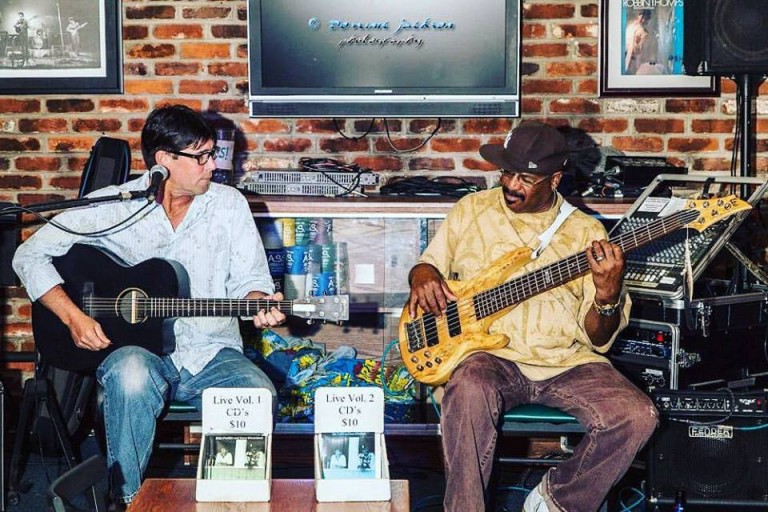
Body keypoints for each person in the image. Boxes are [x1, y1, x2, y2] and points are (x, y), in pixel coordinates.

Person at [12, 104, 285, 509]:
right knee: (132, 375)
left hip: (211, 351)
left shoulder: (229, 205)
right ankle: (127, 502)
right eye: (201, 156)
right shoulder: (113, 205)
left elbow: (250, 281)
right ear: (164, 160)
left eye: (212, 154)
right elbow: (28, 256)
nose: (212, 165)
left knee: (258, 393)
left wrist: (259, 302)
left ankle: (233, 502)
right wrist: (73, 317)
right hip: (135, 351)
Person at [406, 122, 658, 512]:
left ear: (554, 179)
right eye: (507, 172)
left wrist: (607, 294)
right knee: (468, 388)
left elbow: (599, 338)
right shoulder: (472, 210)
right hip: (490, 357)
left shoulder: (586, 232)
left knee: (637, 415)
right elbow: (430, 265)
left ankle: (554, 499)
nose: (511, 184)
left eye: (525, 178)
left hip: (565, 361)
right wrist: (422, 274)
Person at [624, 9, 652, 75]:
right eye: (642, 17)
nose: (643, 20)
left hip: (634, 58)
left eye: (646, 18)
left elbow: (641, 49)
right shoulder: (632, 26)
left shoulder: (643, 32)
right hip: (627, 56)